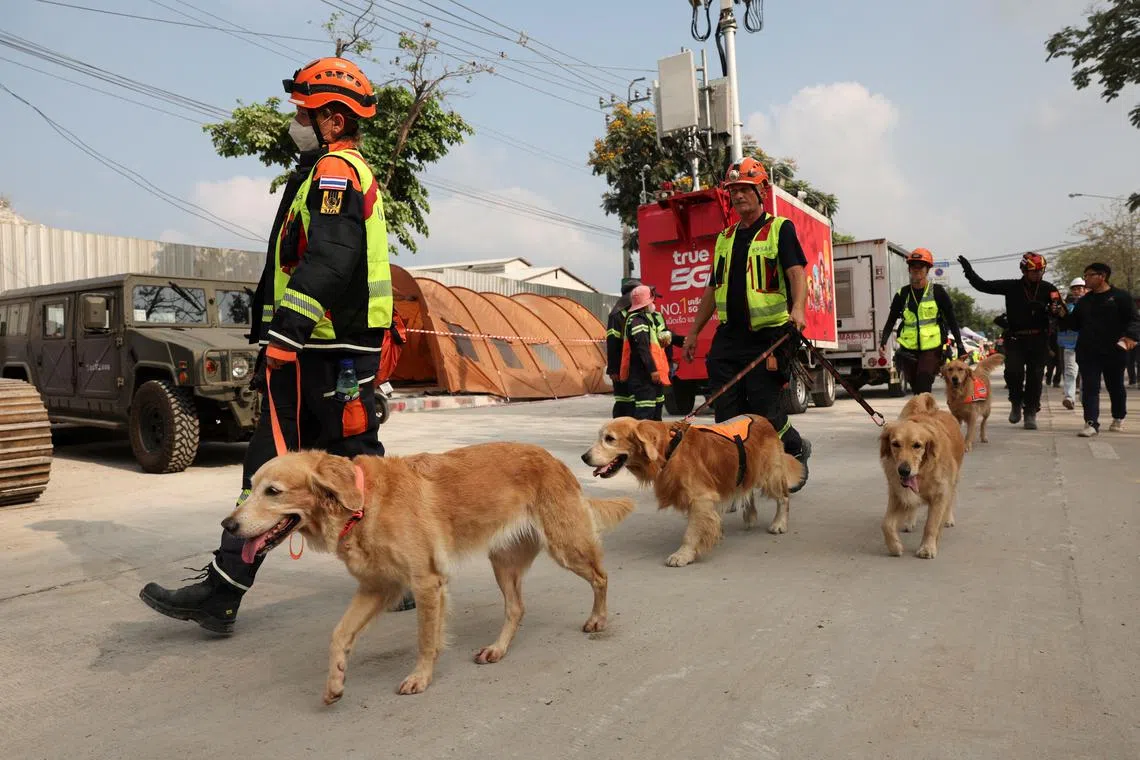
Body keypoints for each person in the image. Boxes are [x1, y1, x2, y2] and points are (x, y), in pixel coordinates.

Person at [138, 57, 410, 634]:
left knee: (348, 471)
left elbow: (331, 261)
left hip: (323, 353)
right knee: (288, 468)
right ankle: (224, 590)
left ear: (333, 120)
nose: (298, 122)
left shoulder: (337, 171)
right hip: (322, 352)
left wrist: (287, 333)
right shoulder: (322, 169)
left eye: (306, 112)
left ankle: (397, 574)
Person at [681, 156, 812, 493]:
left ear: (762, 191)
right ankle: (739, 473)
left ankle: (795, 448)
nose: (738, 196)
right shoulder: (724, 238)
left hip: (769, 336)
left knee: (764, 410)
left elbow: (796, 272)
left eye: (744, 189)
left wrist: (798, 309)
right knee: (726, 414)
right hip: (728, 338)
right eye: (733, 190)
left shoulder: (780, 229)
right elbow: (712, 288)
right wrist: (694, 332)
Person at [957, 252, 1065, 430]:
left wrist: (1049, 309)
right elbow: (982, 285)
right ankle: (1016, 402)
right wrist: (968, 271)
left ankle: (1030, 411)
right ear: (1024, 270)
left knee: (1035, 377)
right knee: (1013, 373)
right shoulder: (1012, 287)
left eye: (1041, 271)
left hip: (1039, 338)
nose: (1037, 274)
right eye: (1033, 271)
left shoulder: (1049, 289)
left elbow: (1062, 314)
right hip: (1016, 338)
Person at [1061, 263, 1140, 437]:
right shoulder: (1085, 301)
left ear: (1102, 276)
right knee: (1089, 387)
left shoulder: (1120, 297)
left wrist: (1131, 337)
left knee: (1115, 386)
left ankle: (1118, 416)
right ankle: (1091, 423)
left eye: (1089, 275)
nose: (1086, 278)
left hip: (1114, 351)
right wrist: (1061, 314)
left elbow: (1134, 320)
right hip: (1088, 351)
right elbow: (1074, 324)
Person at [878, 247, 966, 394]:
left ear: (928, 269)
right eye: (913, 266)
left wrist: (960, 345)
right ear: (909, 269)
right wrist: (883, 342)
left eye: (921, 266)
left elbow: (952, 320)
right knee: (916, 388)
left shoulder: (938, 292)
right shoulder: (902, 294)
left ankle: (925, 415)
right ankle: (925, 413)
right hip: (908, 349)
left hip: (931, 348)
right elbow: (891, 320)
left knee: (924, 381)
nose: (917, 269)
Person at [619, 285, 670, 420]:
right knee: (645, 414)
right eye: (652, 301)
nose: (653, 304)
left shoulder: (646, 320)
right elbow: (643, 348)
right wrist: (652, 370)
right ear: (646, 303)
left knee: (656, 412)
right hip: (643, 376)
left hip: (651, 377)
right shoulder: (637, 321)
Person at [606, 278, 640, 418]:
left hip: (633, 366)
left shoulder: (635, 312)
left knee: (633, 403)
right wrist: (613, 368)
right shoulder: (617, 315)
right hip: (620, 366)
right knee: (623, 402)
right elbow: (612, 343)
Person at [1056, 277, 1086, 410]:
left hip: (1088, 344)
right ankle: (1069, 397)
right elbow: (1061, 323)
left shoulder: (1091, 303)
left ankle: (1086, 397)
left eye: (1080, 288)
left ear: (1085, 289)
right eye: (1075, 289)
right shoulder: (1066, 306)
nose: (1077, 291)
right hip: (1070, 343)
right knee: (1070, 372)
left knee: (1087, 373)